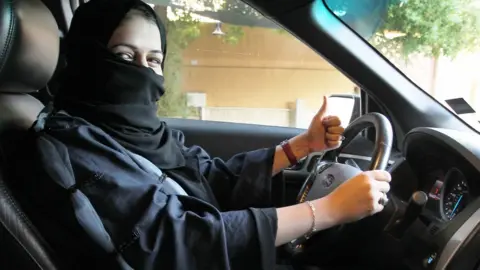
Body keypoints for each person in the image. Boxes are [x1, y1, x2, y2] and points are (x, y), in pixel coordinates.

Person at [9, 0, 391, 269]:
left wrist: (302, 147)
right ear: (85, 57)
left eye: (153, 60)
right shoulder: (71, 145)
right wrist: (326, 211)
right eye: (124, 57)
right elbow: (177, 239)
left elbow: (208, 176)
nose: (142, 71)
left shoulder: (138, 133)